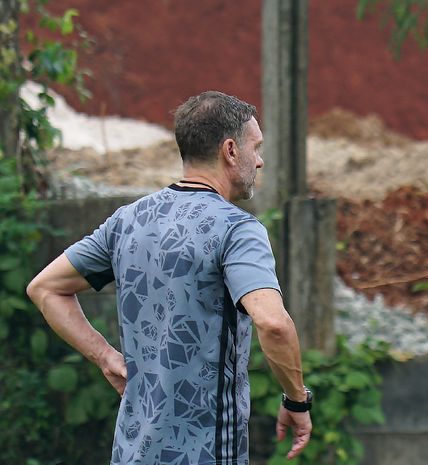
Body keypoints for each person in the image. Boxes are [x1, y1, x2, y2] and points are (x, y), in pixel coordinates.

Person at [27, 91, 312, 465]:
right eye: (255, 148)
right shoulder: (238, 230)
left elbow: (44, 288)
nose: (259, 161)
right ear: (230, 150)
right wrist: (296, 398)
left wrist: (105, 357)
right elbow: (273, 323)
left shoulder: (127, 221)